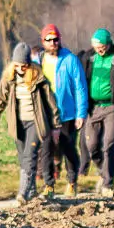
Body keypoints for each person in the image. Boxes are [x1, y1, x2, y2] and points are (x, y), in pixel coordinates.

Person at [0, 42, 55, 203]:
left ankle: (22, 193)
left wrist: (57, 124)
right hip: (18, 124)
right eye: (17, 65)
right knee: (23, 158)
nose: (20, 69)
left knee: (30, 157)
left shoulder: (38, 77)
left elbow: (50, 101)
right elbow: (0, 99)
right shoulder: (8, 78)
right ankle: (32, 191)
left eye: (24, 66)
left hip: (35, 122)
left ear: (29, 64)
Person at [76, 29, 114, 195]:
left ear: (108, 44)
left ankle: (108, 184)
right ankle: (104, 171)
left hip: (111, 108)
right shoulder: (88, 58)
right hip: (92, 108)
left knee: (109, 144)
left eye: (102, 47)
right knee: (91, 145)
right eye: (96, 46)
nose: (99, 50)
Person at [38, 24, 87, 194]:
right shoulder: (39, 61)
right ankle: (49, 185)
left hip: (67, 113)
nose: (53, 43)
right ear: (43, 42)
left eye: (56, 39)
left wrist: (81, 113)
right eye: (49, 40)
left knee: (68, 147)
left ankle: (72, 181)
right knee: (46, 149)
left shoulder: (70, 59)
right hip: (46, 114)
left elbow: (80, 87)